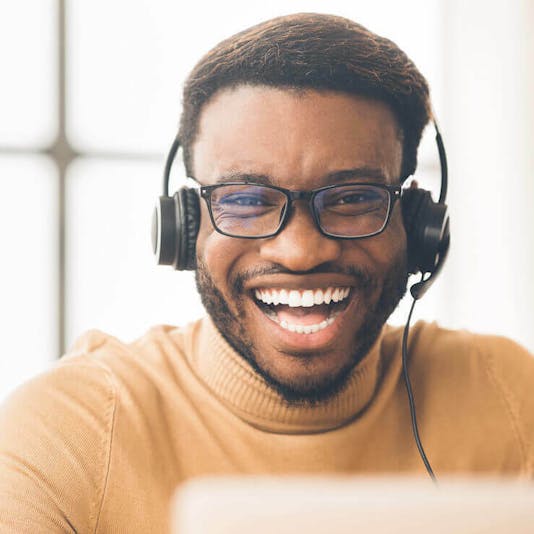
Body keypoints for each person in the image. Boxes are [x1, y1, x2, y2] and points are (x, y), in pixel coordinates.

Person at [1, 12, 533, 533]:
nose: (301, 252)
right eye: (246, 199)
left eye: (352, 198)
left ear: (418, 226)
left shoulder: (510, 395)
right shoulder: (63, 436)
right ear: (185, 227)